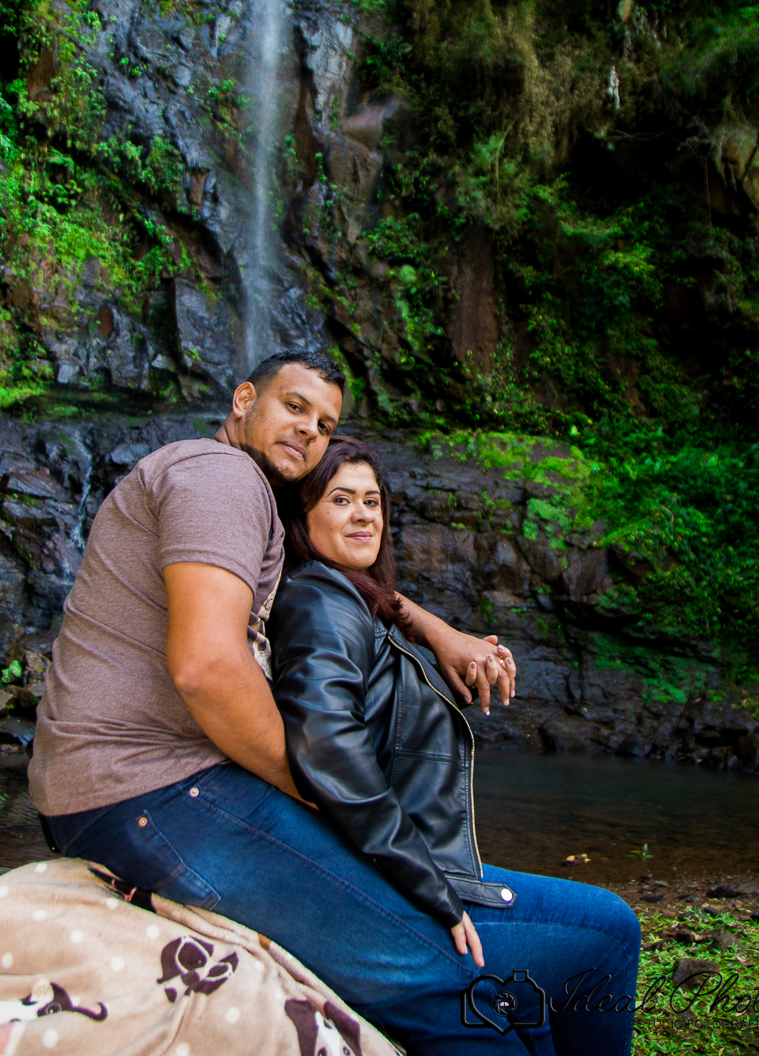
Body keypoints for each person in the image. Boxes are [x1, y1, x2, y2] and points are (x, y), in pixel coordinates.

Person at [27, 354, 517, 1022]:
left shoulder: (227, 490)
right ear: (243, 399)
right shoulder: (222, 477)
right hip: (149, 789)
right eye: (294, 406)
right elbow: (207, 667)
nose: (309, 429)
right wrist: (312, 790)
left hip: (117, 786)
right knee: (435, 967)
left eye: (324, 422)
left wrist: (439, 632)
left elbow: (338, 566)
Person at [267, 435, 642, 1056]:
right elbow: (327, 745)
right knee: (609, 929)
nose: (364, 514)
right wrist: (432, 891)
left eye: (373, 500)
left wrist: (434, 629)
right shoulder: (318, 602)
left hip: (406, 863)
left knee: (531, 1012)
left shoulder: (348, 597)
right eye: (341, 500)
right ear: (304, 516)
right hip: (403, 876)